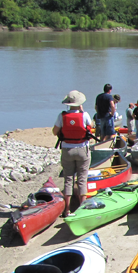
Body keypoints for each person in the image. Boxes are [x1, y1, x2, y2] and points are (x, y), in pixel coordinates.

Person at [52, 90, 93, 218]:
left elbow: (55, 132)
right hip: (82, 150)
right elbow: (90, 127)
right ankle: (83, 209)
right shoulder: (84, 115)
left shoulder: (62, 116)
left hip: (67, 150)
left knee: (68, 179)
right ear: (80, 103)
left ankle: (67, 210)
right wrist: (81, 111)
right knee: (82, 179)